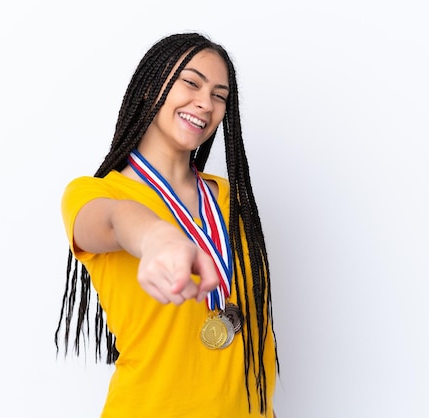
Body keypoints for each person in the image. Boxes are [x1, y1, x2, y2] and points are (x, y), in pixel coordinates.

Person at [55, 32, 279, 417]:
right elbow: (113, 220)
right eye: (191, 83)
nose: (205, 103)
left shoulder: (231, 198)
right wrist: (156, 235)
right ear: (149, 88)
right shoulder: (96, 193)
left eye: (220, 95)